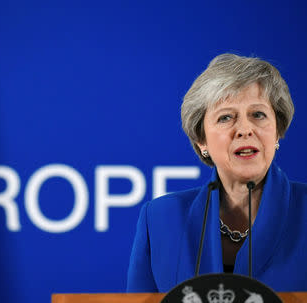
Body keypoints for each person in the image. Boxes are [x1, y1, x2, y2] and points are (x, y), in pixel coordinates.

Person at [127, 54, 307, 292]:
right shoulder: (160, 219)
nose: (245, 129)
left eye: (258, 115)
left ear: (276, 132)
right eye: (226, 117)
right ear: (201, 140)